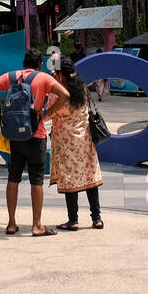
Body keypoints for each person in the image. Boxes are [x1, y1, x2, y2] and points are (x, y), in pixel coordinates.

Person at [0, 50, 71, 237]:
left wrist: (1, 101)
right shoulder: (44, 78)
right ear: (39, 64)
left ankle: (12, 223)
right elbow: (65, 95)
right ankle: (37, 225)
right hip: (36, 134)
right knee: (36, 179)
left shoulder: (11, 77)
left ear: (24, 63)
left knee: (13, 177)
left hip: (15, 136)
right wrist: (47, 114)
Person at [49, 61, 104, 230]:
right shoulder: (83, 90)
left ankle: (73, 220)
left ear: (61, 75)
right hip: (84, 140)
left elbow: (49, 112)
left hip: (66, 142)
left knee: (69, 179)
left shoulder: (58, 94)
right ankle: (97, 218)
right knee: (90, 177)